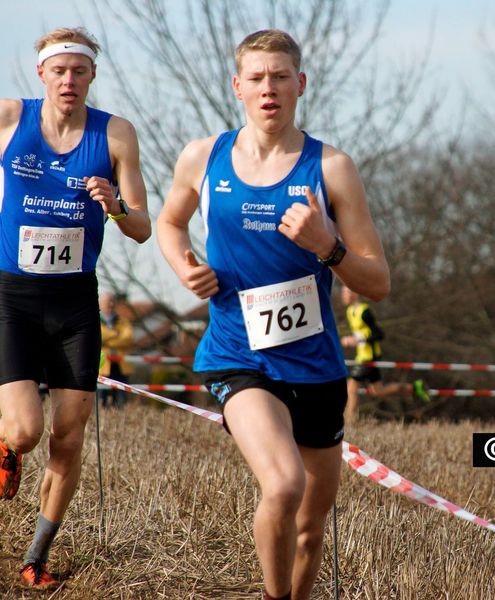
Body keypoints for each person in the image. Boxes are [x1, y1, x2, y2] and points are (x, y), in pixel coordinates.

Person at [157, 29, 390, 600]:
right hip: (238, 357)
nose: (269, 89)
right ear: (237, 87)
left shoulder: (332, 168)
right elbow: (168, 222)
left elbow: (378, 282)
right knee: (282, 486)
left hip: (315, 367)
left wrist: (327, 246)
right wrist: (185, 266)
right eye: (257, 78)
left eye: (280, 77)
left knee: (310, 531)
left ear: (300, 84)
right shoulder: (203, 157)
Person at [0, 27, 150, 589]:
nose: (69, 80)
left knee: (69, 432)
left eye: (79, 71)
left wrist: (115, 205)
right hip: (12, 296)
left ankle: (35, 556)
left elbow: (142, 228)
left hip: (75, 302)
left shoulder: (115, 134)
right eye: (59, 70)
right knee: (27, 430)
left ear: (91, 76)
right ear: (42, 73)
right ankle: (8, 447)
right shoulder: (12, 118)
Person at [339, 285, 429, 423]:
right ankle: (414, 387)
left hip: (369, 357)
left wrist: (358, 339)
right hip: (361, 355)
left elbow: (379, 334)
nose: (343, 295)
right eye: (343, 292)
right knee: (378, 390)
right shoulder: (350, 311)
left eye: (346, 292)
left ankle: (350, 422)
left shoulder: (365, 311)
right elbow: (360, 334)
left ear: (355, 294)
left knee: (351, 388)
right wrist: (350, 340)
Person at [98, 291, 135, 408]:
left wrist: (107, 339)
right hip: (102, 367)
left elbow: (128, 338)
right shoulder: (94, 320)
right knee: (100, 401)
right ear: (100, 304)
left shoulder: (123, 321)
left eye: (112, 301)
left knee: (121, 401)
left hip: (121, 367)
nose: (110, 304)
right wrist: (115, 334)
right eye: (107, 302)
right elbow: (98, 337)